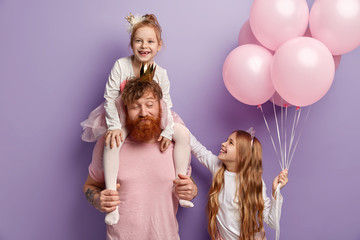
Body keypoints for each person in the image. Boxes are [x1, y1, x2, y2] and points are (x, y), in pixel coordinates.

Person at [80, 13, 193, 225]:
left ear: (159, 45)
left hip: (153, 116)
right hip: (122, 115)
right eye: (138, 40)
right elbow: (111, 96)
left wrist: (168, 131)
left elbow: (166, 105)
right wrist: (114, 127)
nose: (144, 46)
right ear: (131, 44)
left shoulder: (161, 73)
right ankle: (112, 197)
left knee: (183, 133)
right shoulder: (121, 65)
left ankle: (181, 182)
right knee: (111, 143)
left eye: (150, 41)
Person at [83, 69, 197, 240]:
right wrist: (98, 199)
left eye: (150, 104)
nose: (144, 112)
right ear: (125, 110)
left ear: (161, 106)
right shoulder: (110, 144)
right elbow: (90, 186)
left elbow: (185, 183)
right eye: (135, 106)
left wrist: (191, 190)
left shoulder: (175, 144)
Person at [190, 130, 288, 240]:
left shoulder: (254, 183)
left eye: (230, 143)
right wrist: (174, 123)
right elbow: (198, 149)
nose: (223, 143)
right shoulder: (218, 167)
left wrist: (276, 191)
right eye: (227, 140)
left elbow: (272, 222)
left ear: (242, 155)